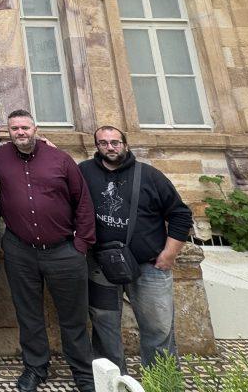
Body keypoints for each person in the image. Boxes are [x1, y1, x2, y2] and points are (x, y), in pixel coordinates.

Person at [0, 110, 96, 392]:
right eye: (15, 128)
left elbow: (83, 201)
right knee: (28, 315)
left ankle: (83, 373)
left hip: (64, 251)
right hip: (20, 250)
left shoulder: (60, 158)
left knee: (73, 317)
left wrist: (81, 244)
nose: (20, 132)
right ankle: (35, 368)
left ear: (35, 129)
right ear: (8, 132)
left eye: (25, 127)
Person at [79, 125, 192, 372]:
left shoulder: (150, 175)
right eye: (103, 143)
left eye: (115, 142)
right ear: (96, 146)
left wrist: (169, 254)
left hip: (148, 265)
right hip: (102, 264)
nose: (110, 147)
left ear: (125, 144)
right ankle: (113, 381)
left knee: (158, 328)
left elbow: (180, 215)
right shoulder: (84, 172)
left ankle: (160, 381)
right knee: (104, 326)